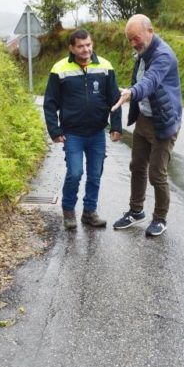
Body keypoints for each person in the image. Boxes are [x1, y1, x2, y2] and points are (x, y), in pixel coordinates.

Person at [111, 14, 182, 237]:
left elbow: (149, 82)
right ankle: (136, 211)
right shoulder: (142, 53)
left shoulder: (163, 55)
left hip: (163, 121)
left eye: (136, 38)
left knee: (156, 173)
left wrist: (132, 93)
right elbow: (139, 80)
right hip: (144, 118)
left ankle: (160, 218)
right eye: (129, 40)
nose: (133, 44)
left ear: (150, 31)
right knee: (137, 166)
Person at [44, 29, 122, 230]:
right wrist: (55, 130)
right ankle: (68, 211)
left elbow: (115, 99)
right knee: (75, 172)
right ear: (72, 48)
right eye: (80, 46)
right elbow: (50, 103)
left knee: (95, 174)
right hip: (73, 134)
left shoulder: (105, 66)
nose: (86, 49)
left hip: (97, 133)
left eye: (88, 44)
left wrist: (116, 126)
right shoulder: (59, 69)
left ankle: (89, 212)